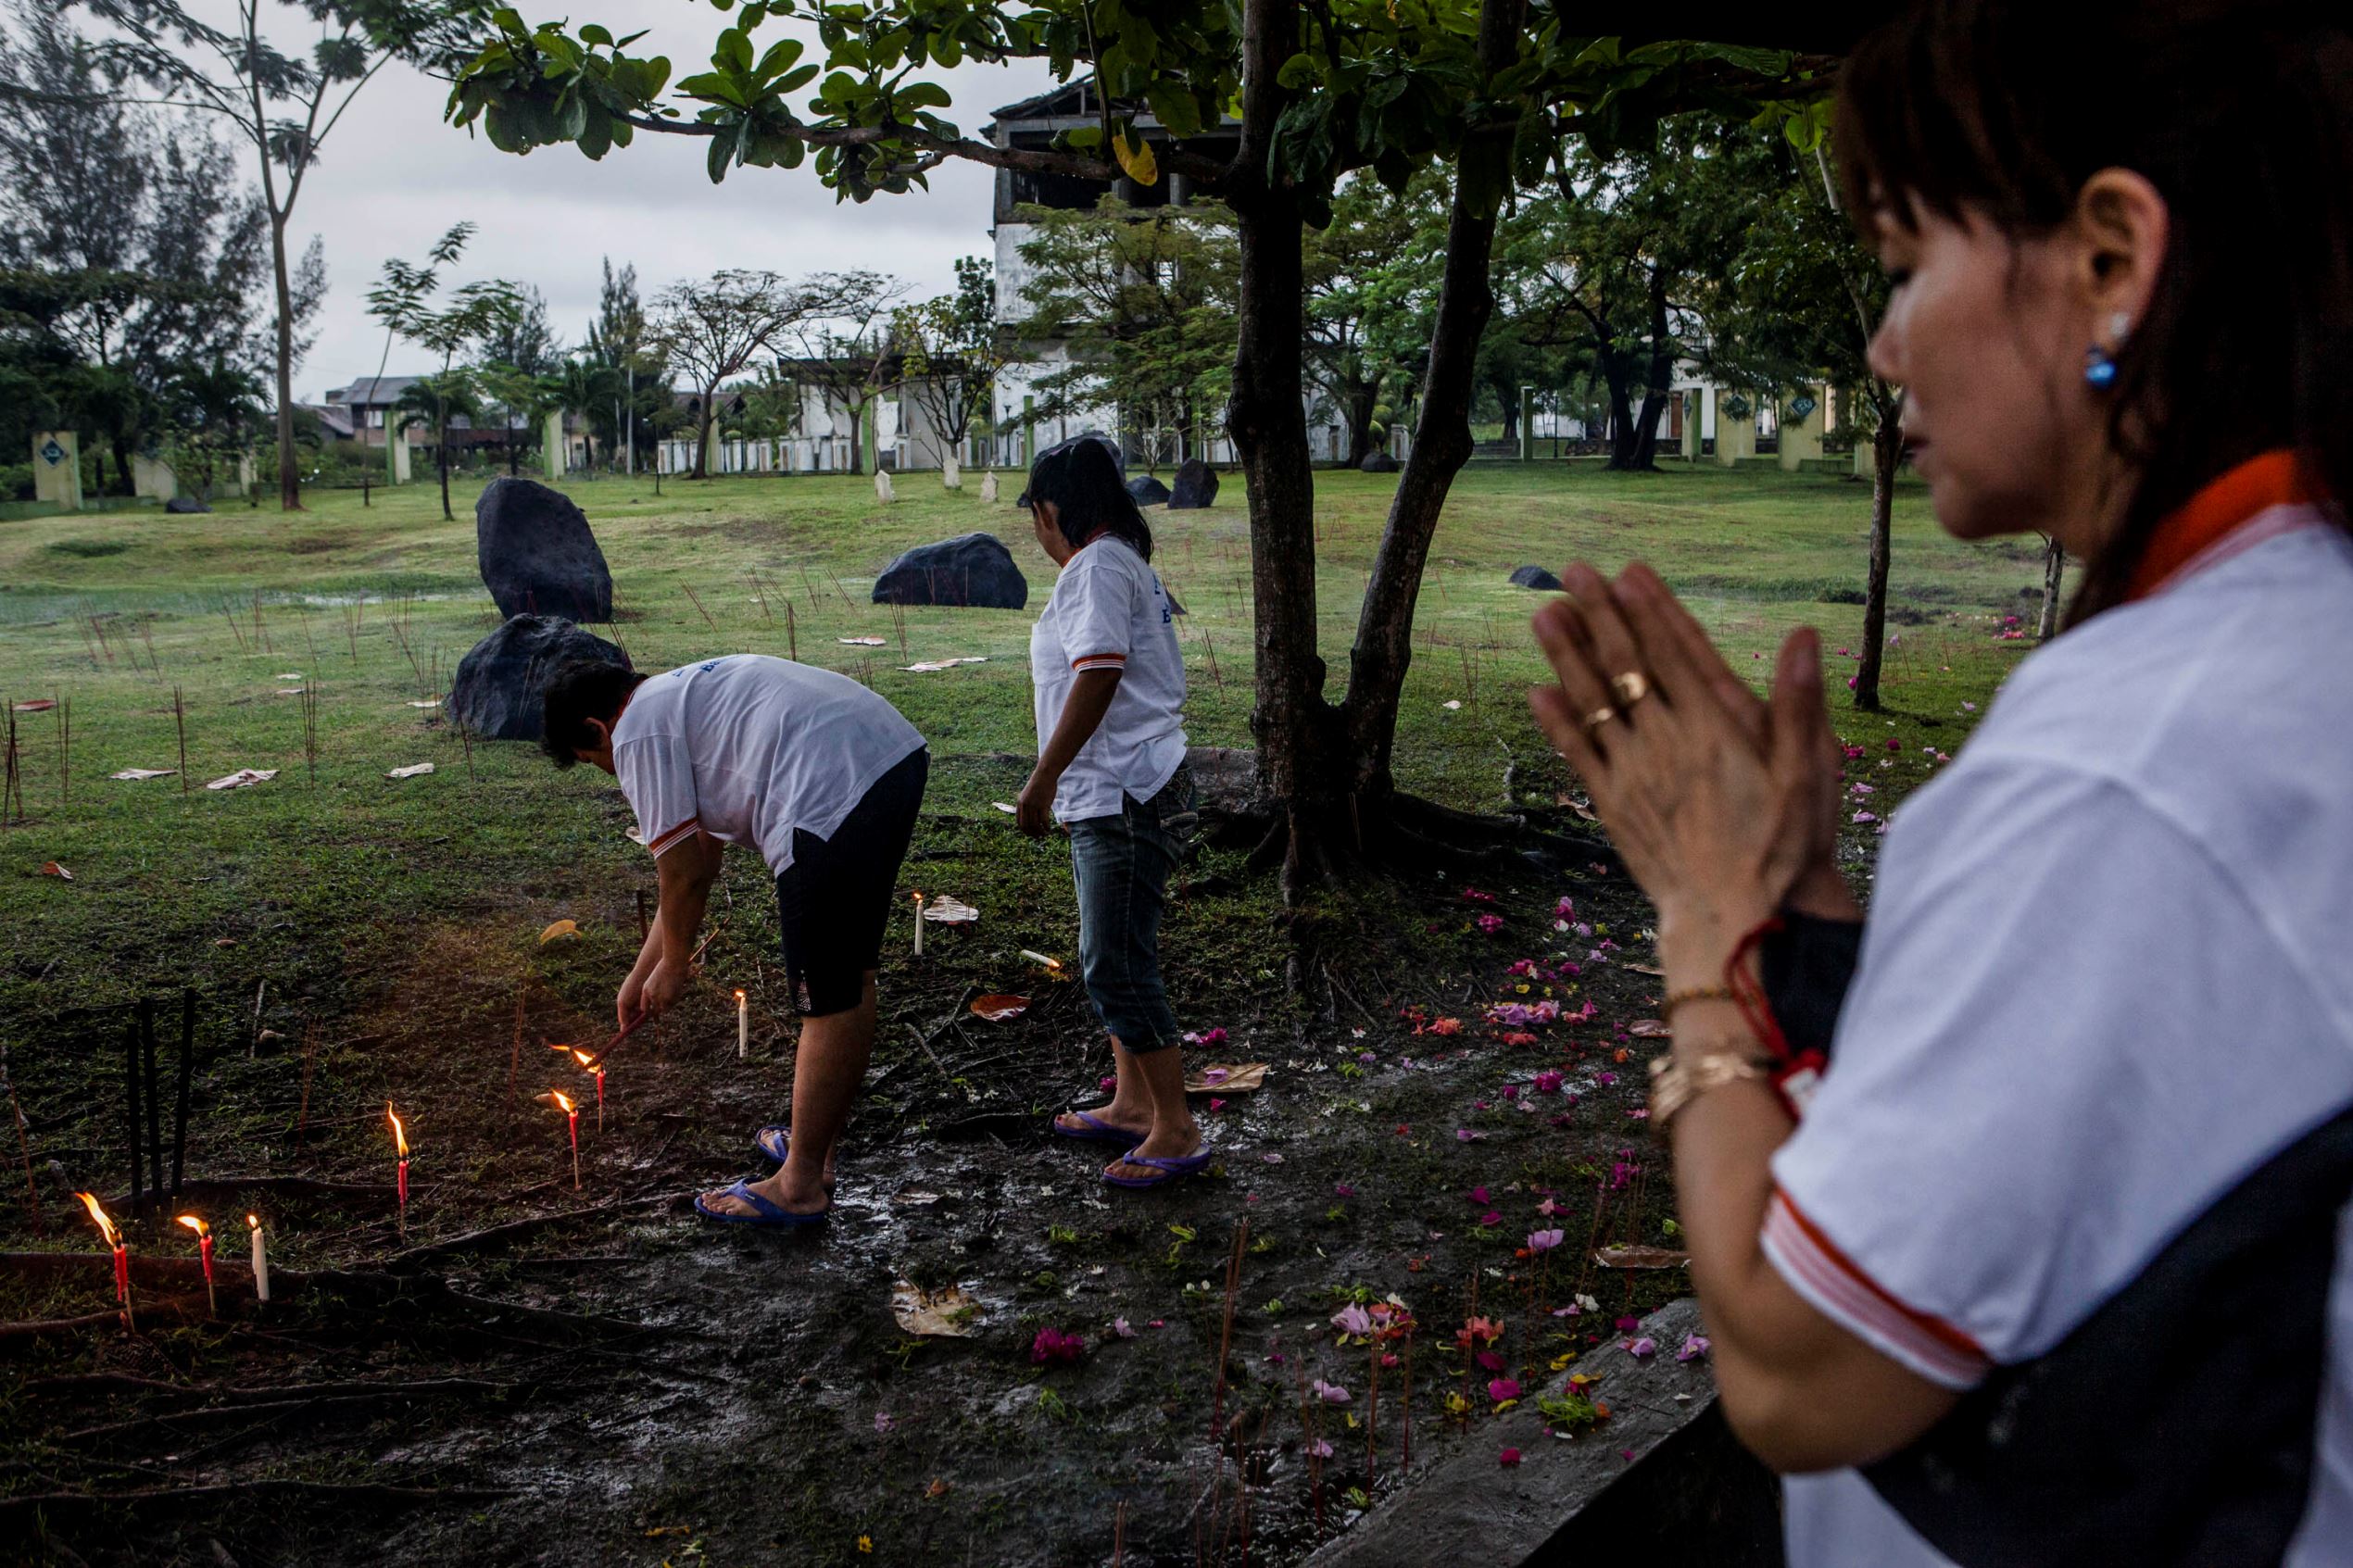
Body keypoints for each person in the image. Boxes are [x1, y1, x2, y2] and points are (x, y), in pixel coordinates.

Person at [1525, 3, 2353, 1563]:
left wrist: (1705, 944)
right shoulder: (2291, 627)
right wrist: (1809, 922)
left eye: (1908, 262)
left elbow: (1794, 1361)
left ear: (2111, 255)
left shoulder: (2128, 760)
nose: (1880, 342)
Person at [540, 654, 928, 1228]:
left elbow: (685, 875)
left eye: (594, 761)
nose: (609, 770)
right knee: (848, 977)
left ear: (597, 730)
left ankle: (799, 1184)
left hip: (826, 788)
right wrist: (644, 969)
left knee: (827, 994)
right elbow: (699, 858)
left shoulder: (638, 731)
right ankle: (814, 1150)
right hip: (886, 756)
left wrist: (674, 969)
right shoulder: (675, 699)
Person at [1015, 439, 1204, 1188]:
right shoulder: (1122, 562)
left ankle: (1177, 1128)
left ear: (1053, 509)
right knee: (1122, 949)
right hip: (1119, 787)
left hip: (1124, 791)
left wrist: (1042, 778)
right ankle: (1132, 1104)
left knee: (1114, 965)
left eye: (1034, 514)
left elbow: (1097, 674)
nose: (1035, 530)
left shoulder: (1095, 567)